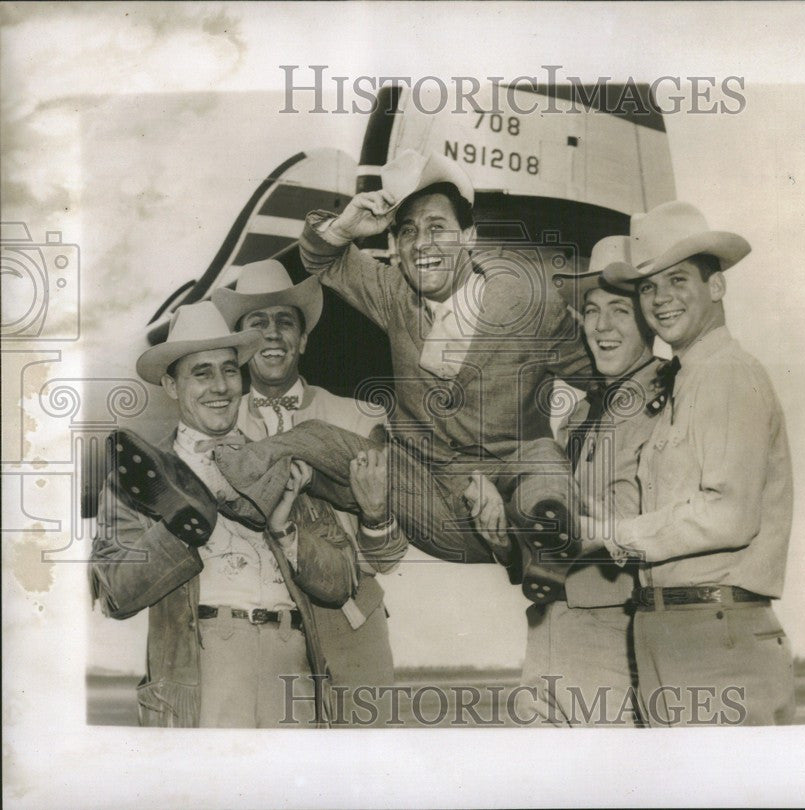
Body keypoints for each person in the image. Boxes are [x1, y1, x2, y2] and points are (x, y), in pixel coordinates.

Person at [217, 149, 594, 603]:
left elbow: (602, 377)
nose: (422, 243)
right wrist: (346, 226)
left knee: (542, 457)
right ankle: (222, 488)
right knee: (311, 435)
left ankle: (544, 545)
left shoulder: (528, 302)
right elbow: (325, 259)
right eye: (408, 231)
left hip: (513, 497)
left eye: (438, 228)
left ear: (469, 237)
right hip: (424, 498)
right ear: (396, 246)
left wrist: (579, 440)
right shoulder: (396, 293)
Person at [89, 301, 384, 727]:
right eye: (201, 373)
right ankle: (191, 507)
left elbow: (340, 583)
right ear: (172, 386)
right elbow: (115, 592)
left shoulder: (279, 458)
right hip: (206, 666)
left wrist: (286, 528)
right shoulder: (139, 475)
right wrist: (183, 522)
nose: (220, 386)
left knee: (293, 795)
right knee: (215, 793)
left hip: (292, 663)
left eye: (229, 370)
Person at [581, 201, 796, 726]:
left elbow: (729, 516)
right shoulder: (687, 380)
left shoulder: (725, 373)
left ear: (716, 286)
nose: (660, 299)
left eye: (677, 280)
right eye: (649, 286)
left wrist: (609, 534)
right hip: (676, 632)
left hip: (713, 638)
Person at [467, 235, 660, 726]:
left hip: (615, 638)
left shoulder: (668, 402)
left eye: (620, 310)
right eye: (591, 311)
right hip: (545, 631)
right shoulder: (577, 416)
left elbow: (642, 529)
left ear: (649, 317)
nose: (600, 327)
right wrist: (505, 540)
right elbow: (544, 549)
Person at [212, 259, 406, 721]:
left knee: (367, 770)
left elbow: (388, 557)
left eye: (285, 323)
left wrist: (377, 514)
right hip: (260, 627)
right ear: (240, 346)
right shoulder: (217, 424)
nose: (273, 334)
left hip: (350, 622)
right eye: (257, 324)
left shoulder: (359, 417)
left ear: (304, 339)